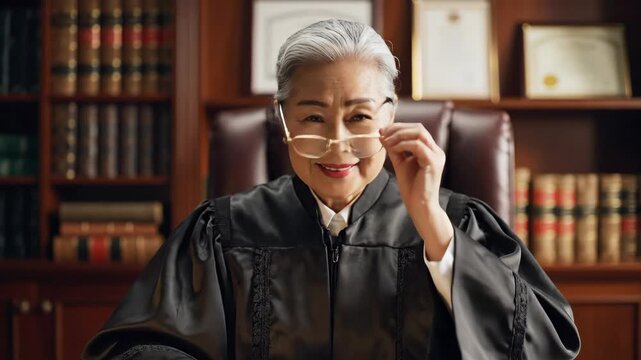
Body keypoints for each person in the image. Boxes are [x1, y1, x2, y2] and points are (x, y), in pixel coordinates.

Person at [83, 19, 580, 359]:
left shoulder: (460, 224)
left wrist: (437, 234)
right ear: (283, 120)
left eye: (359, 117)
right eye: (313, 118)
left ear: (391, 115)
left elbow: (542, 347)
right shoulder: (225, 231)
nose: (337, 144)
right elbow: (136, 346)